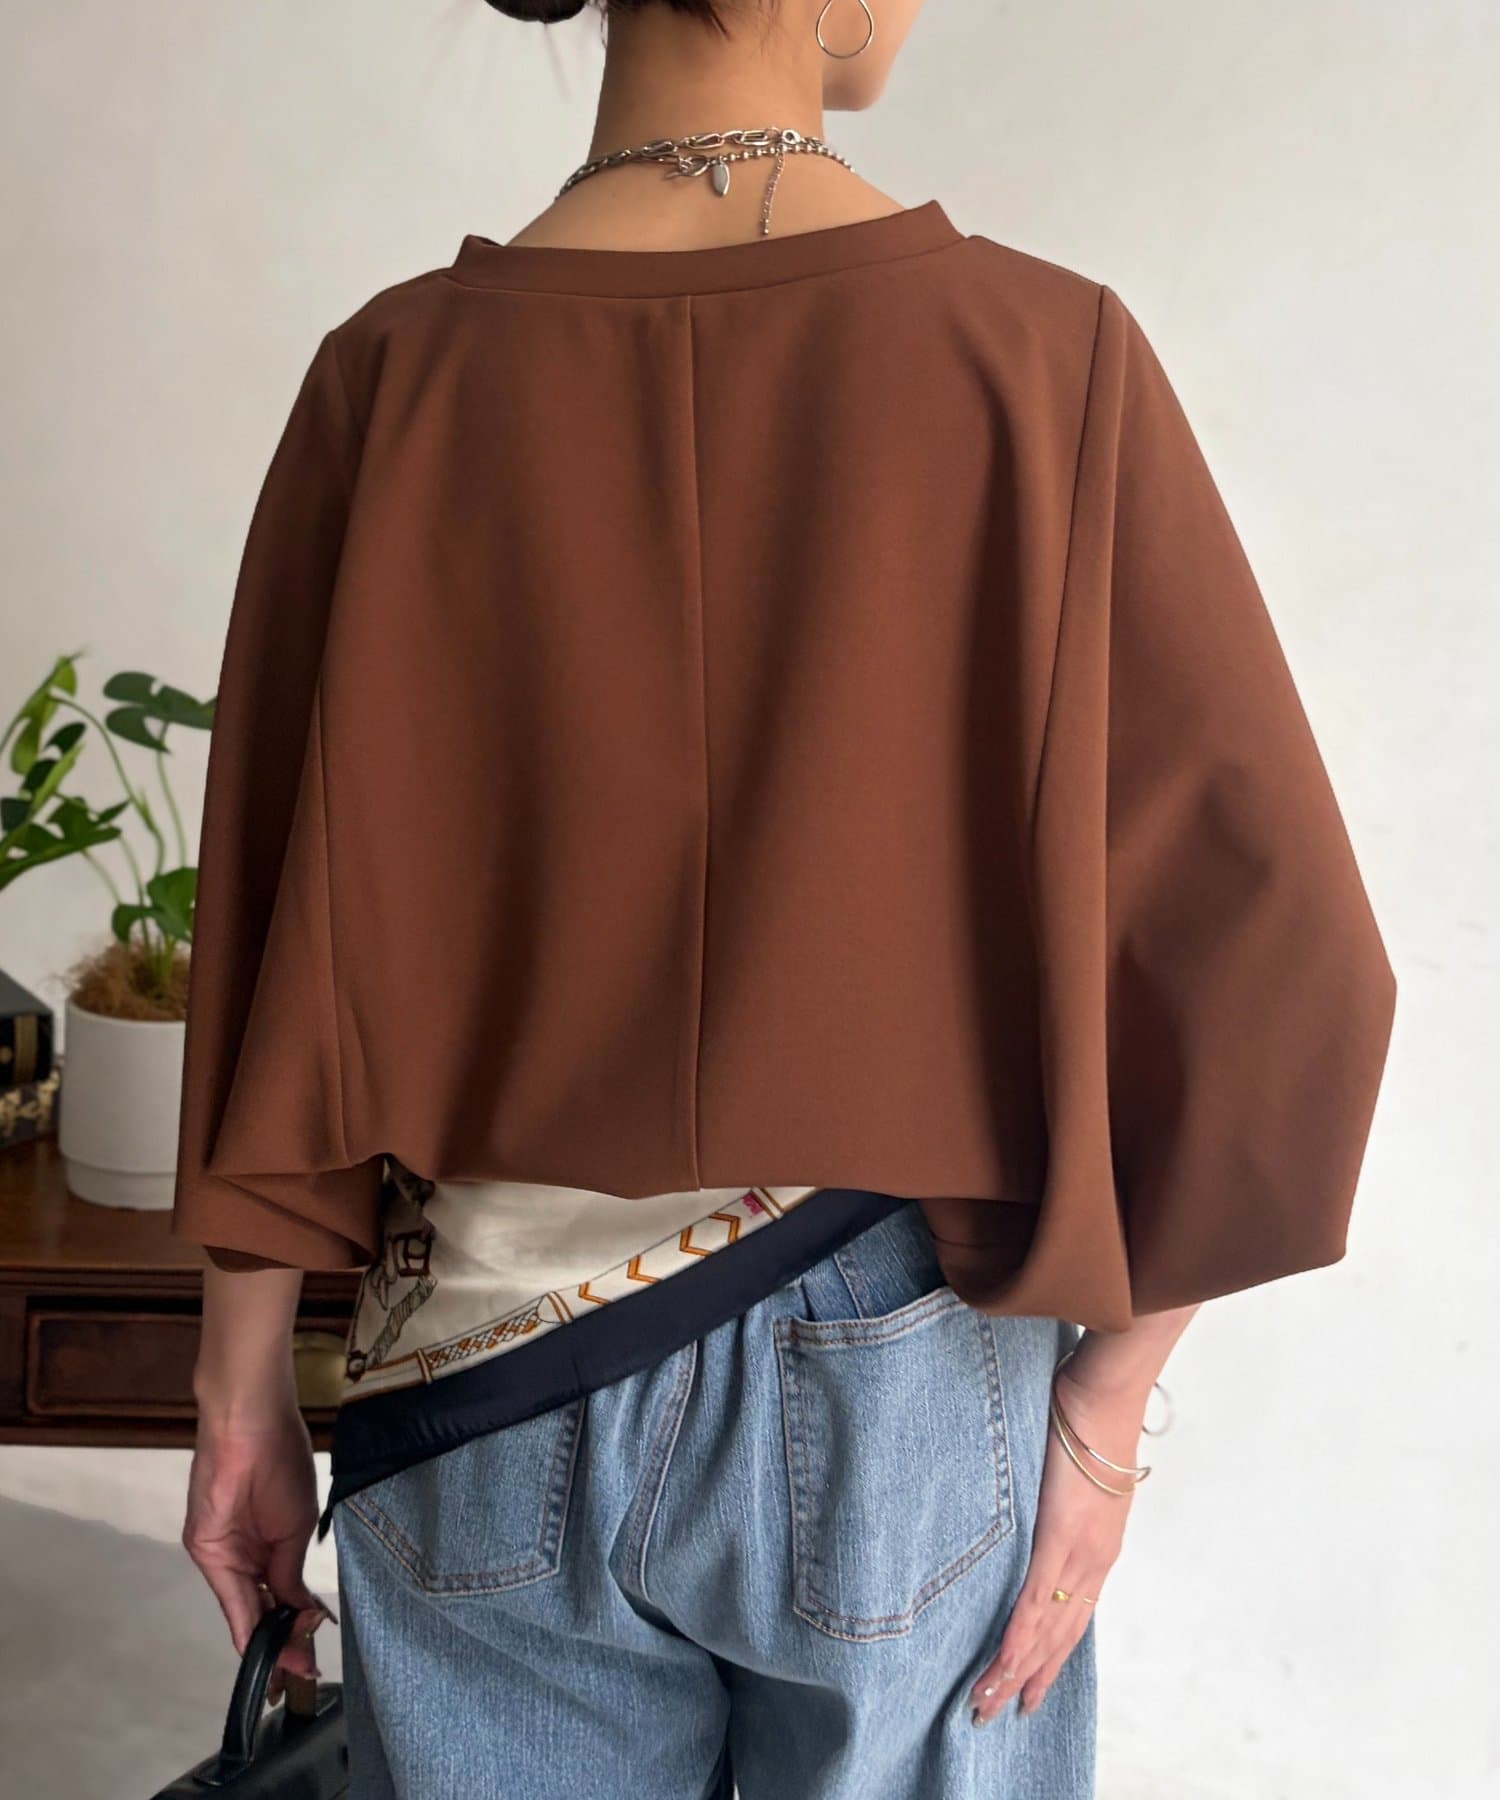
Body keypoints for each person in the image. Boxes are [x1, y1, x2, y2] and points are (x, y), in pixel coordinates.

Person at [172, 1, 1397, 1795]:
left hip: (482, 1363)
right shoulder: (1043, 356)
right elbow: (1292, 961)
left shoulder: (391, 376)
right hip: (906, 1363)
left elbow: (275, 944)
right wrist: (1108, 1410)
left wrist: (238, 1398)